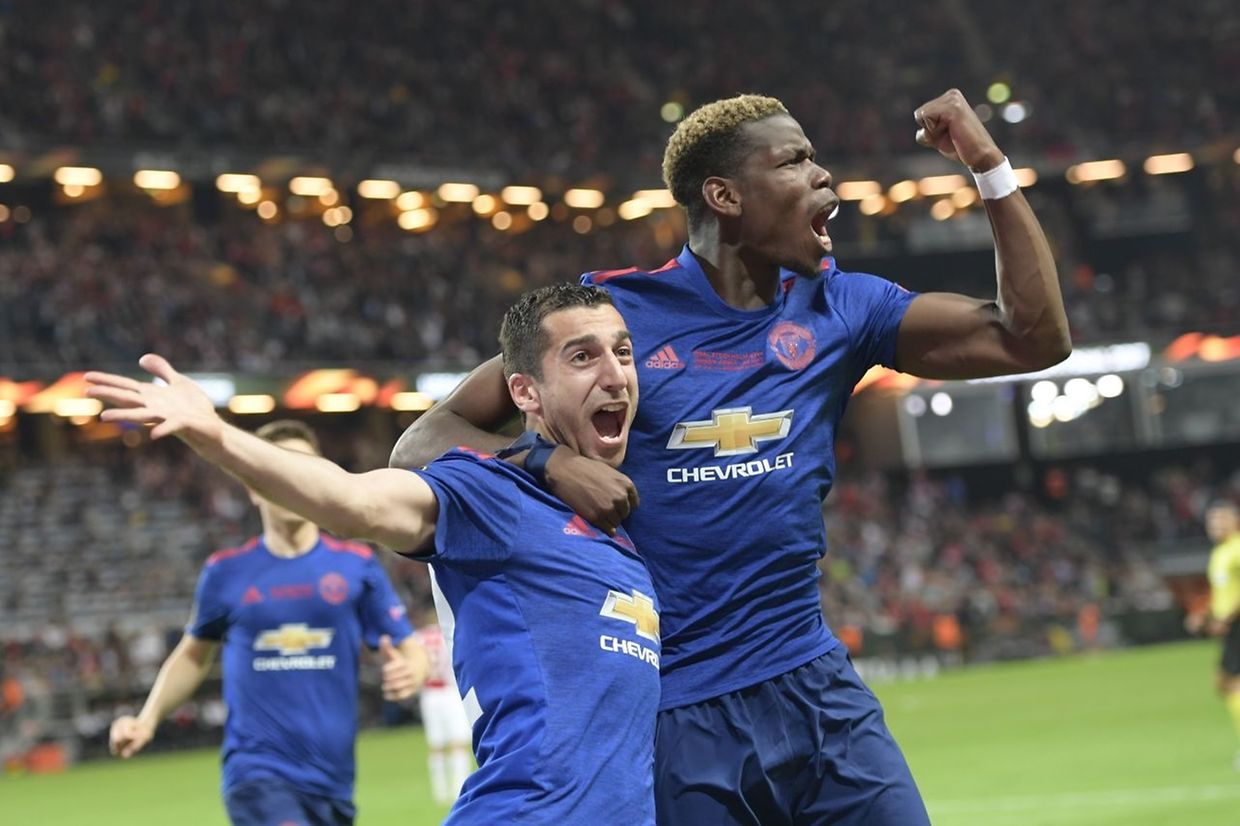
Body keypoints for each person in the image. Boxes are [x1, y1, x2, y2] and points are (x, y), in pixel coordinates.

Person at [390, 89, 1072, 824]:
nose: (825, 178)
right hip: (676, 714)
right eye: (795, 160)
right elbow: (421, 441)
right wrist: (546, 465)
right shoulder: (615, 316)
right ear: (725, 195)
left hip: (816, 690)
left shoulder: (841, 309)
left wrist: (989, 165)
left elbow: (1032, 338)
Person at [87, 282, 661, 825]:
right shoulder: (490, 496)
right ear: (524, 392)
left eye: (624, 352)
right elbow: (354, 500)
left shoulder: (619, 532)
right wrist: (216, 436)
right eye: (582, 357)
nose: (614, 374)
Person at [107, 419, 426, 826]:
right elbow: (192, 656)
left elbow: (409, 648)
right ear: (253, 484)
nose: (291, 481)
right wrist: (146, 719)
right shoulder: (226, 573)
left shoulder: (355, 566)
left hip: (333, 782)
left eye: (302, 468)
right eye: (277, 468)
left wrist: (411, 674)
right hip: (258, 775)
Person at [1186, 498, 1240, 768]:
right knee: (1224, 684)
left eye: (1221, 520)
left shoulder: (1238, 549)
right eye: (1211, 521)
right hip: (1230, 626)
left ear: (1235, 521)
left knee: (1229, 682)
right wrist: (1205, 614)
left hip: (1237, 624)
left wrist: (1227, 619)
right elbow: (1222, 591)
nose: (1215, 525)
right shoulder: (1220, 553)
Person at [413, 618, 474, 805]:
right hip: (450, 692)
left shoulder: (418, 638)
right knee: (458, 743)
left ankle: (440, 792)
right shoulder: (449, 633)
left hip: (429, 694)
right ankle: (459, 787)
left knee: (436, 745)